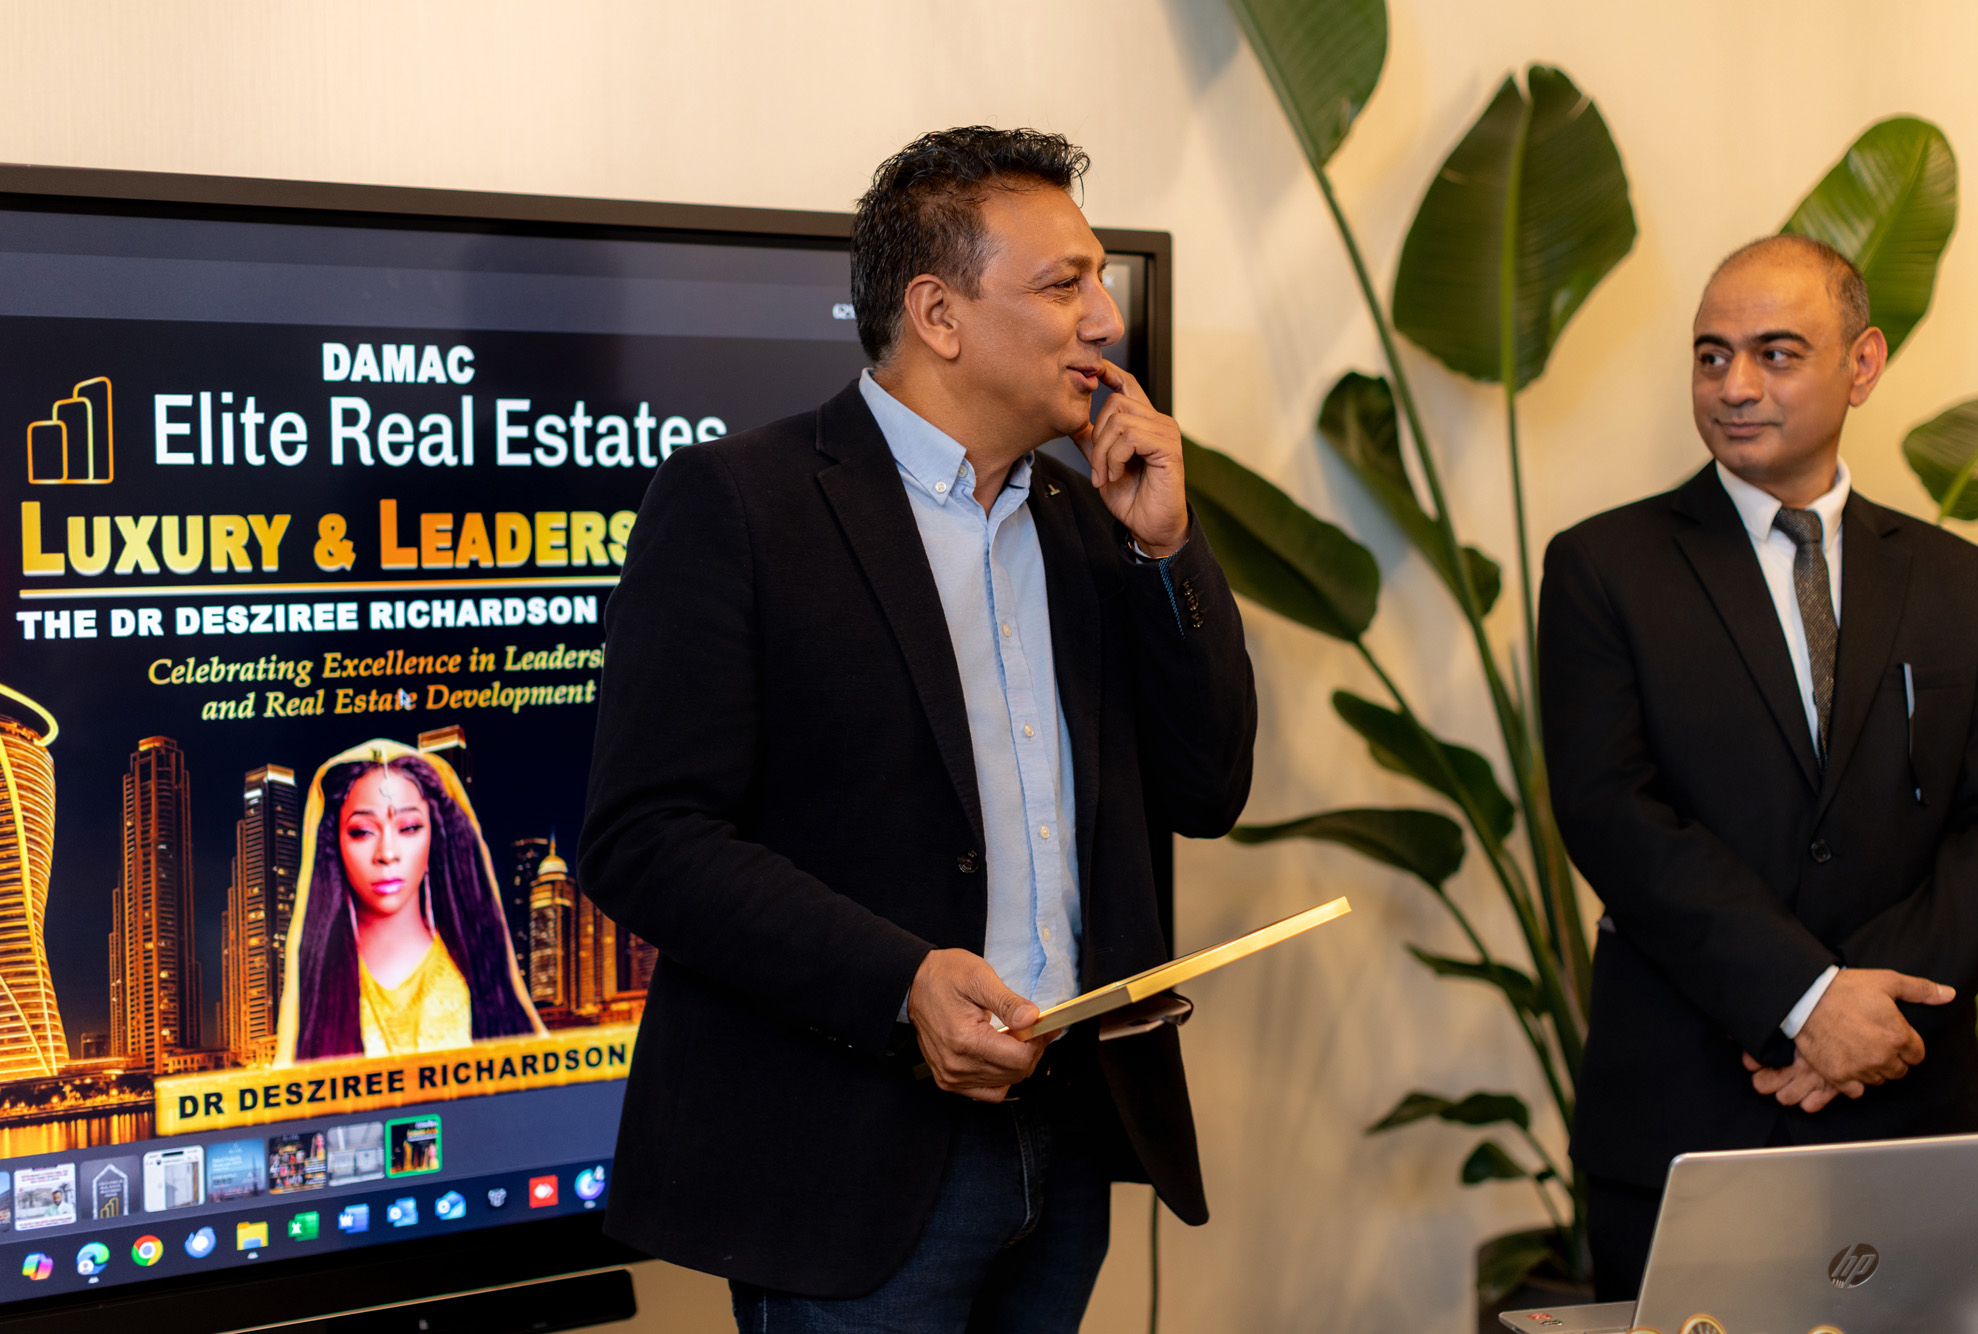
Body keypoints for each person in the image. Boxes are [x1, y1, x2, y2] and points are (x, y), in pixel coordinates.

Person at [580, 127, 1256, 1332]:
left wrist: (1165, 549)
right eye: (1064, 284)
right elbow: (646, 838)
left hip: (1066, 1135)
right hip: (850, 1158)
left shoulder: (1088, 517)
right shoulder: (741, 503)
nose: (1105, 320)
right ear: (938, 313)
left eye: (1100, 280)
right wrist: (901, 983)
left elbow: (1206, 788)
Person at [1539, 234, 1978, 1300]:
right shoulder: (1604, 568)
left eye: (1774, 353)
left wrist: (1867, 1017)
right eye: (1711, 355)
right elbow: (1613, 813)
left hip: (1903, 1107)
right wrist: (1802, 999)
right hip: (1687, 1110)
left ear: (1861, 364)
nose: (1733, 386)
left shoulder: (1966, 587)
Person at [276, 739, 542, 1063]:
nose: (387, 853)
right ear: (334, 844)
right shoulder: (319, 995)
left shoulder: (479, 980)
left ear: (435, 836)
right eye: (362, 831)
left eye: (409, 827)